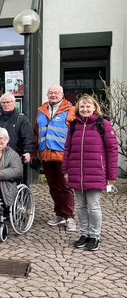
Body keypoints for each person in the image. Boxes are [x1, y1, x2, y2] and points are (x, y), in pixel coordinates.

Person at [62, 94, 118, 251]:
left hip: (95, 172)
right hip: (76, 173)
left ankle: (95, 236)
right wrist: (65, 170)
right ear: (78, 109)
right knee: (80, 207)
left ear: (94, 108)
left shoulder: (103, 124)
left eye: (88, 106)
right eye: (82, 107)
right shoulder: (73, 126)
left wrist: (111, 175)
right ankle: (84, 234)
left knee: (93, 206)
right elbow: (67, 150)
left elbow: (112, 150)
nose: (85, 109)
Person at [34, 84, 77, 231]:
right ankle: (59, 214)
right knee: (53, 186)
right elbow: (36, 132)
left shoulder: (71, 110)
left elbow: (76, 134)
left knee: (65, 187)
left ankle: (69, 217)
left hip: (63, 156)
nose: (53, 95)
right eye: (50, 92)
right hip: (46, 155)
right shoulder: (41, 110)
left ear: (62, 94)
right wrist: (35, 153)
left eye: (56, 92)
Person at [0, 93, 35, 164]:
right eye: (3, 102)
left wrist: (27, 152)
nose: (6, 104)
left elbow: (28, 137)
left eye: (8, 102)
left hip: (16, 157)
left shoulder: (21, 119)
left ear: (14, 103)